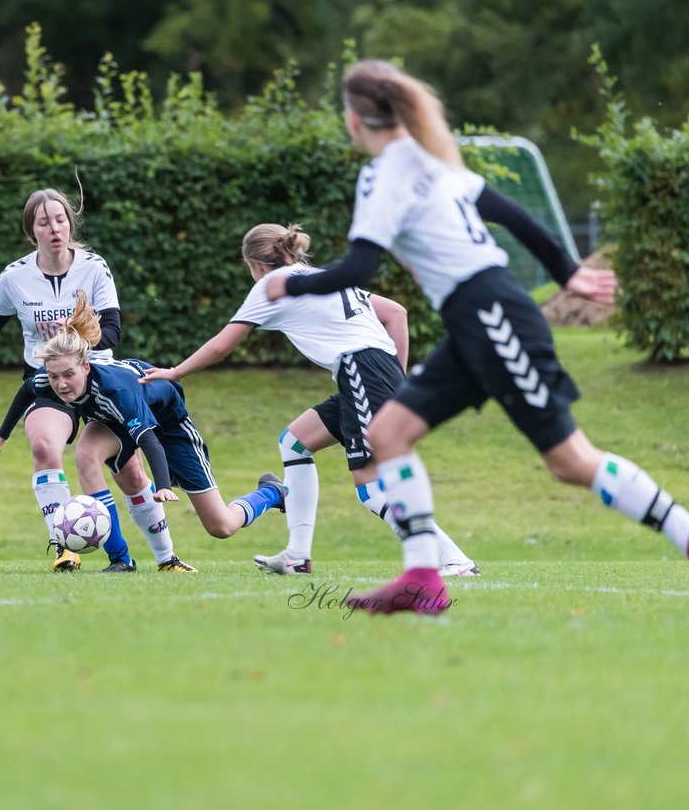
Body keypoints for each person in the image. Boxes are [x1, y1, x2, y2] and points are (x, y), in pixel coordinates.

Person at [263, 59, 689, 615]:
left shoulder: (387, 172)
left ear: (353, 118)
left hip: (494, 317)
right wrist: (566, 272)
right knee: (389, 434)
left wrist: (289, 289)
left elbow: (358, 268)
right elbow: (513, 215)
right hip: (475, 323)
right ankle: (424, 579)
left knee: (572, 462)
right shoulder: (434, 162)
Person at [139, 222, 479, 578]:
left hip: (361, 370)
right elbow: (396, 312)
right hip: (367, 373)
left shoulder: (272, 284)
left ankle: (453, 560)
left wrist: (176, 372)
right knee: (295, 442)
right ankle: (297, 556)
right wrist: (396, 378)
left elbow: (222, 346)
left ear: (254, 264)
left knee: (371, 489)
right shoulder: (321, 276)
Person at [0, 187, 156, 574]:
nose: (55, 228)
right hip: (46, 380)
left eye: (60, 219)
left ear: (70, 224)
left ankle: (166, 556)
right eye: (44, 222)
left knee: (133, 473)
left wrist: (77, 337)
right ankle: (65, 544)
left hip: (98, 376)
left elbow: (113, 331)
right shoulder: (15, 277)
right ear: (32, 231)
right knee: (42, 445)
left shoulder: (94, 267)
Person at [0, 292, 287, 550]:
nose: (60, 384)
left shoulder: (116, 391)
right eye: (54, 376)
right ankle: (120, 559)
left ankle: (271, 493)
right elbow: (26, 390)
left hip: (169, 426)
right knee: (86, 453)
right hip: (119, 424)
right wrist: (0, 439)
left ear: (86, 368)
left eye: (68, 375)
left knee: (221, 526)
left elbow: (149, 439)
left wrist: (164, 486)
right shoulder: (52, 377)